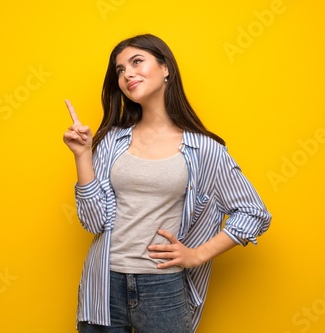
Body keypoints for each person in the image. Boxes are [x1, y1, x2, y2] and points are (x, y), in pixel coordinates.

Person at [63, 33, 271, 333]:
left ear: (165, 69)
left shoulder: (204, 150)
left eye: (137, 62)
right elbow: (94, 222)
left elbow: (254, 213)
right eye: (120, 70)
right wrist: (83, 156)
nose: (127, 74)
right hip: (103, 284)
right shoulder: (111, 142)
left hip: (163, 287)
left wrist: (197, 254)